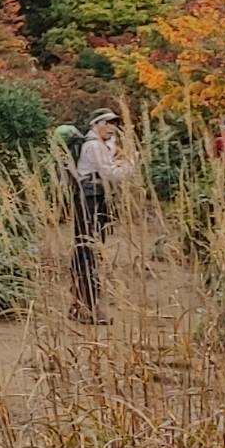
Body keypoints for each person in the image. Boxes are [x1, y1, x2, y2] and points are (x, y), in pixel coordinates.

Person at [70, 108, 124, 324]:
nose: (112, 128)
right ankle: (88, 308)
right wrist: (131, 164)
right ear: (95, 124)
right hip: (90, 198)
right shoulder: (93, 145)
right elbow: (110, 173)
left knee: (87, 249)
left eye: (114, 124)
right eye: (107, 123)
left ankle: (79, 305)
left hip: (93, 197)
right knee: (89, 250)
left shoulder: (101, 145)